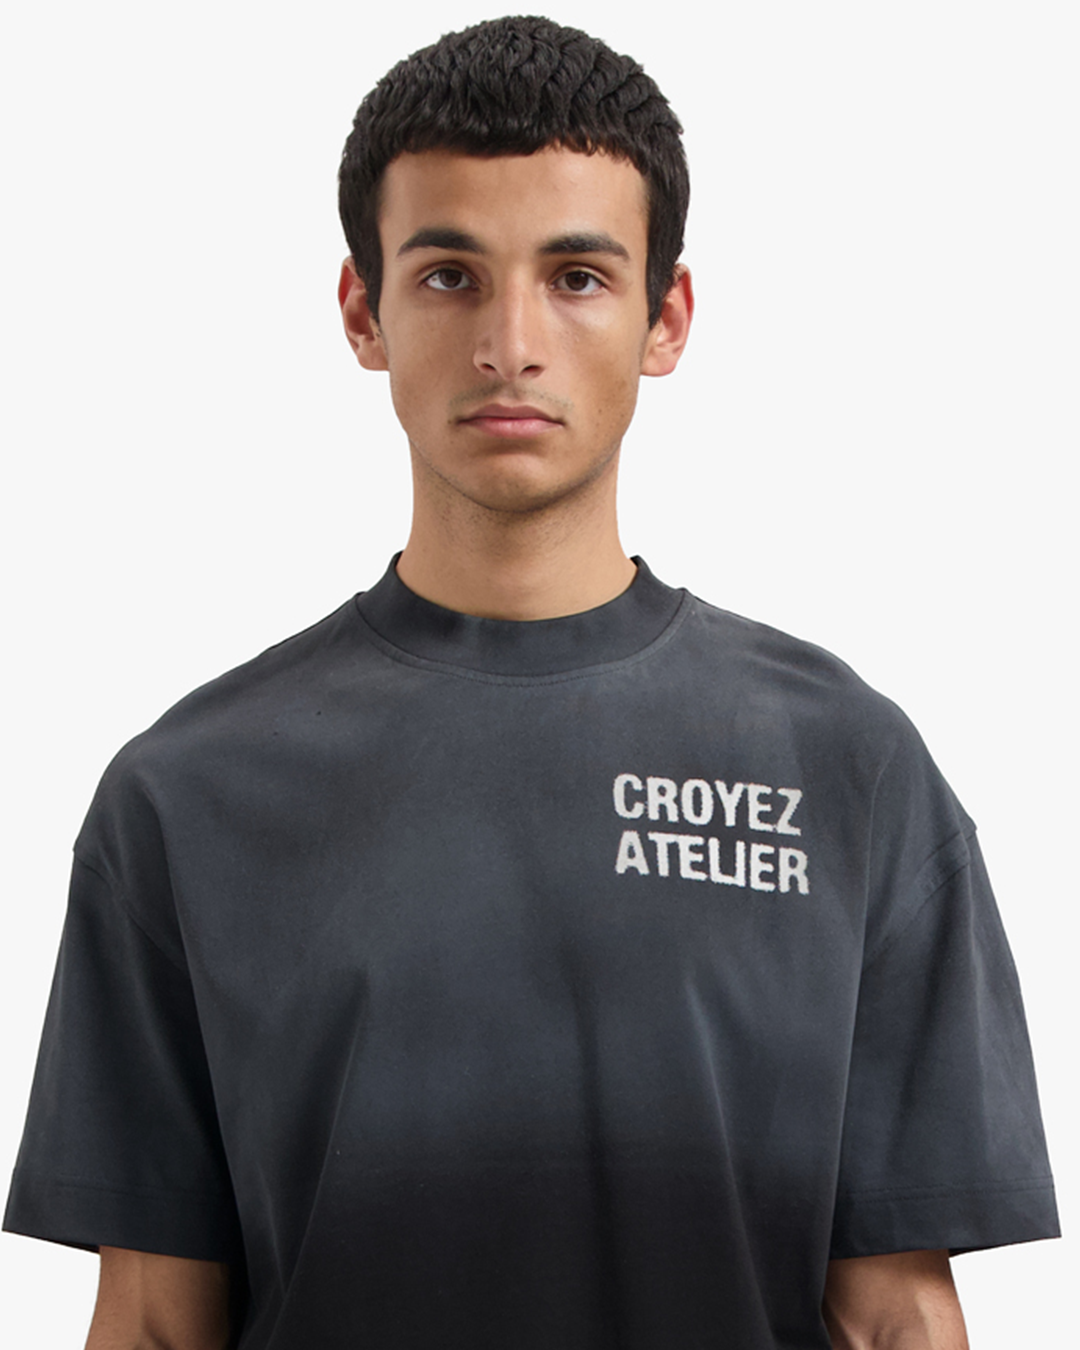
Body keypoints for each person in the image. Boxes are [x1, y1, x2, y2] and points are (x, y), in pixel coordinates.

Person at [3, 15, 1059, 1350]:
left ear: (666, 318)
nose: (511, 341)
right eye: (450, 275)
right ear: (363, 312)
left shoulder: (850, 770)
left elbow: (897, 1318)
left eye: (576, 276)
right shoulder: (185, 797)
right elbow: (154, 1325)